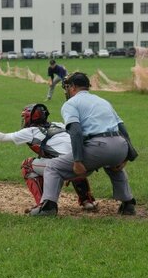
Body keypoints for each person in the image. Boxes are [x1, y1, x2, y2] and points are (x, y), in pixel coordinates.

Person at [31, 72, 138, 216]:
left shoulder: (71, 103)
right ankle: (128, 203)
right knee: (114, 167)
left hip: (99, 146)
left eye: (68, 87)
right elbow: (122, 129)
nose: (67, 90)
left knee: (53, 167)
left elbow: (76, 132)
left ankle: (48, 206)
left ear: (73, 87)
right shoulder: (103, 101)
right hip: (120, 145)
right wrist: (127, 157)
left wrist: (78, 160)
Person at [0, 103, 97, 212]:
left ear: (30, 117)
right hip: (85, 164)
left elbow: (2, 137)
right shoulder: (59, 125)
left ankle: (44, 205)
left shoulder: (31, 131)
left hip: (66, 166)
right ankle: (88, 201)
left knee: (28, 165)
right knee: (70, 158)